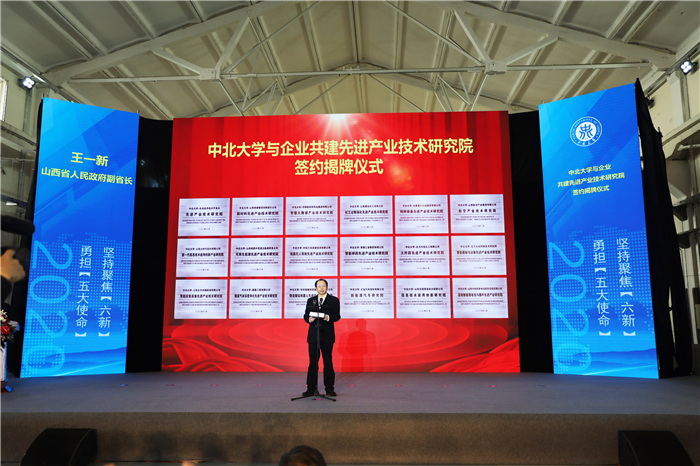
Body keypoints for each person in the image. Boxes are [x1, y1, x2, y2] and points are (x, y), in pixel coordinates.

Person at [303, 278, 340, 397]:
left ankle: (329, 388)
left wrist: (326, 317)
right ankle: (310, 388)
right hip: (314, 336)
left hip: (327, 336)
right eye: (319, 286)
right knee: (313, 363)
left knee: (328, 362)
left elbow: (337, 316)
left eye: (323, 286)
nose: (321, 288)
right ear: (316, 288)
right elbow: (305, 315)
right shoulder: (311, 300)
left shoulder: (334, 300)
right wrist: (309, 319)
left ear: (327, 287)